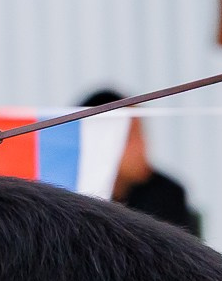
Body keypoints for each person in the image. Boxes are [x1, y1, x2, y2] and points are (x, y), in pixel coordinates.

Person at [79, 89, 201, 235]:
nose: (143, 145)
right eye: (132, 136)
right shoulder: (74, 194)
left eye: (143, 133)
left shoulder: (166, 193)